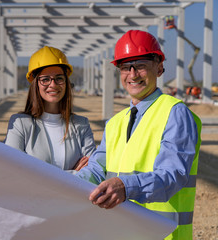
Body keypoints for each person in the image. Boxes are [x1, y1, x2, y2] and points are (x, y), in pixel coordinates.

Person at [77, 30, 201, 240]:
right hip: (120, 232)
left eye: (141, 65)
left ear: (159, 67)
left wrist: (126, 186)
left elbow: (173, 175)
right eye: (126, 67)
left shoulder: (175, 113)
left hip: (161, 235)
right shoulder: (115, 122)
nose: (133, 74)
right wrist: (58, 182)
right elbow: (96, 170)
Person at [5, 46, 96, 171]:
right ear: (35, 84)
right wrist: (73, 174)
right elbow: (13, 171)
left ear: (66, 83)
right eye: (45, 79)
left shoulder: (81, 124)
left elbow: (93, 172)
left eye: (59, 78)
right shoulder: (19, 124)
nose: (53, 84)